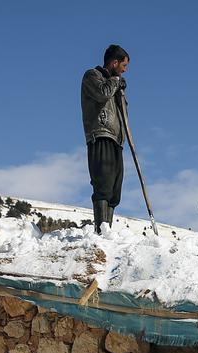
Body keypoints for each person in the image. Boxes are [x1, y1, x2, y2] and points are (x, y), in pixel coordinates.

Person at [81, 45, 129, 234]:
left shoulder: (115, 85)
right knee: (103, 184)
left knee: (115, 190)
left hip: (116, 140)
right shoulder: (92, 76)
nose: (125, 70)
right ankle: (101, 230)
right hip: (100, 133)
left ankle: (107, 229)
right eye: (123, 65)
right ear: (114, 62)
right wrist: (116, 81)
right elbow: (102, 94)